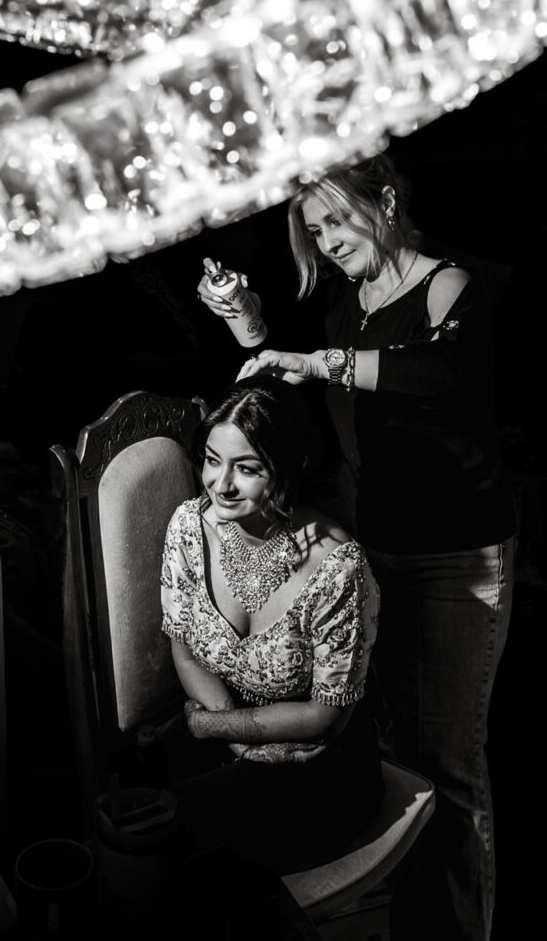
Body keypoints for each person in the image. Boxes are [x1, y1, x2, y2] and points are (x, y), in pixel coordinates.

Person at [196, 153, 518, 940]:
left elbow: (441, 372)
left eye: (337, 220)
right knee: (385, 753)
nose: (328, 241)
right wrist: (247, 321)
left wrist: (319, 361)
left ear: (386, 198)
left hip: (456, 560)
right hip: (372, 550)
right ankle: (402, 921)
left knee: (449, 762)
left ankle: (465, 930)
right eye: (314, 230)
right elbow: (288, 391)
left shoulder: (448, 285)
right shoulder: (349, 302)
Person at [160, 377, 383, 884]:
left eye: (247, 468)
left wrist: (211, 727)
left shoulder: (336, 565)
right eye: (212, 460)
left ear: (289, 467)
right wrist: (230, 731)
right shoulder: (188, 527)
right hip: (226, 737)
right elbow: (185, 648)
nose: (220, 484)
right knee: (143, 808)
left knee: (188, 833)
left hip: (317, 767)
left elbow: (326, 717)